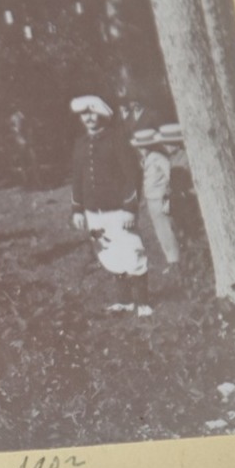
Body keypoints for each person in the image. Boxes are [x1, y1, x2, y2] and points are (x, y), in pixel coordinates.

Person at [69, 95, 152, 316]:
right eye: (84, 115)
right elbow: (77, 178)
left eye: (92, 113)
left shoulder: (116, 139)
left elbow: (132, 174)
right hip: (93, 210)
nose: (88, 118)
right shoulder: (80, 144)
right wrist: (77, 209)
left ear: (102, 115)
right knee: (107, 251)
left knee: (132, 249)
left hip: (118, 209)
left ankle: (143, 302)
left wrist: (130, 208)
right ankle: (124, 300)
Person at [131, 123, 187, 267]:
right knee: (160, 230)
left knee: (165, 229)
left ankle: (175, 259)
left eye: (142, 147)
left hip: (159, 198)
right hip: (152, 199)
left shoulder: (157, 157)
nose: (140, 150)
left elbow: (172, 175)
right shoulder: (148, 158)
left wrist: (167, 194)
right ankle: (171, 257)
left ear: (149, 146)